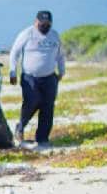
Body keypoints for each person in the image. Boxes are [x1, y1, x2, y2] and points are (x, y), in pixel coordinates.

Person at [8, 10, 66, 147]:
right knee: (32, 102)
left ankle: (42, 138)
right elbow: (14, 52)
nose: (44, 26)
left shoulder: (55, 35)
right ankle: (20, 126)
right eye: (42, 23)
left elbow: (60, 55)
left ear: (51, 23)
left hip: (50, 77)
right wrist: (12, 72)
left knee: (48, 107)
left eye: (47, 24)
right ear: (36, 22)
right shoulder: (27, 34)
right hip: (30, 77)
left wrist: (62, 71)